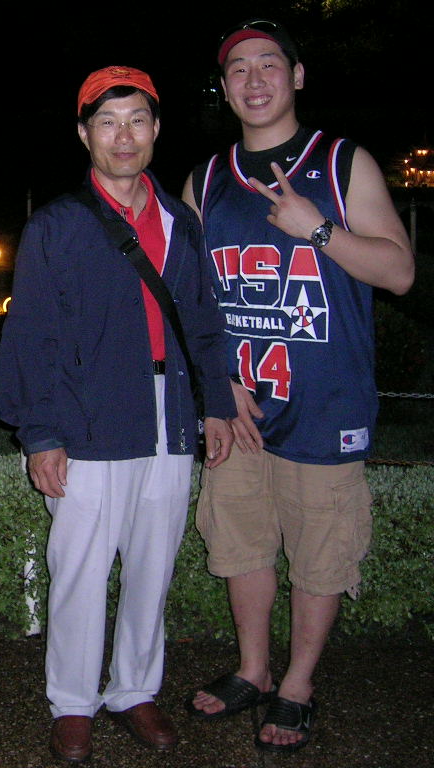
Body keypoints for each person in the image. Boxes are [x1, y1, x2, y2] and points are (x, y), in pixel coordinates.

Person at [182, 19, 414, 754]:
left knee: (322, 551)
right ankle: (253, 669)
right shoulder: (206, 179)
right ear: (224, 90)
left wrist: (317, 229)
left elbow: (400, 272)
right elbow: (189, 298)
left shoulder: (342, 163)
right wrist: (217, 381)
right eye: (238, 70)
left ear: (297, 75)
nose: (254, 80)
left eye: (269, 65)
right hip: (241, 408)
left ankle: (299, 684)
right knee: (241, 541)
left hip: (326, 404)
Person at [0, 65, 236, 761]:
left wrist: (216, 406)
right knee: (79, 567)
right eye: (107, 122)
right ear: (84, 134)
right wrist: (41, 433)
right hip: (87, 416)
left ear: (156, 129)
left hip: (169, 411)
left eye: (136, 120)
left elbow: (202, 320)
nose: (123, 136)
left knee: (153, 565)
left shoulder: (180, 222)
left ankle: (133, 689)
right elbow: (30, 335)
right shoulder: (57, 226)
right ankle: (72, 701)